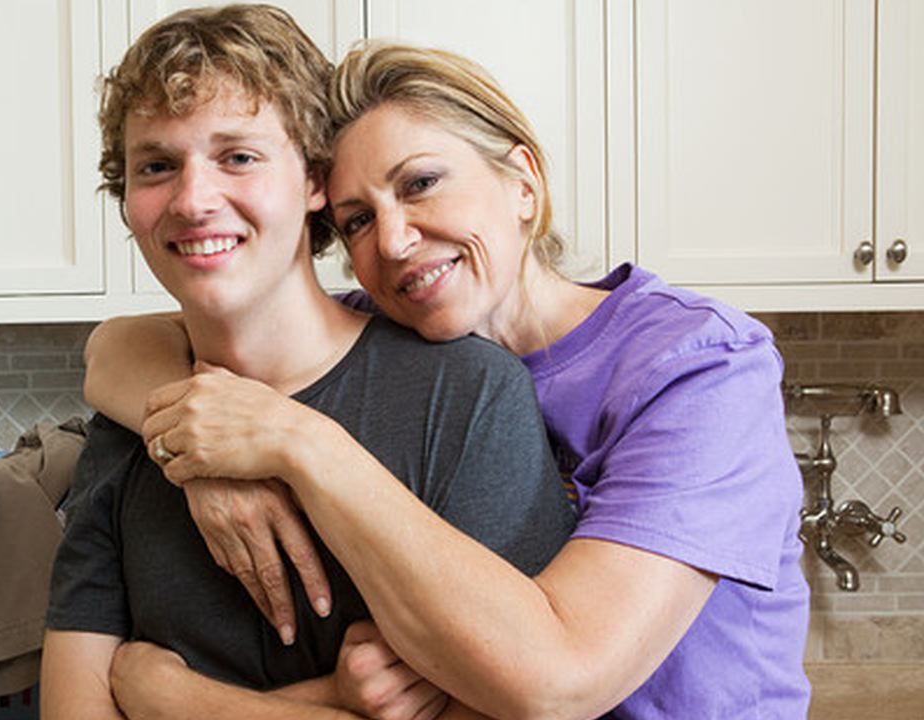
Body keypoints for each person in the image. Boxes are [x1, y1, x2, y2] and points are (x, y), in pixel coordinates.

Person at [85, 41, 811, 719]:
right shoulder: (390, 341)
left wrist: (297, 441)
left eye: (422, 183)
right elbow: (119, 346)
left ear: (522, 181)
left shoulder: (698, 367)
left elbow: (563, 680)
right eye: (359, 219)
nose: (395, 241)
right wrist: (195, 456)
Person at [40, 8, 576, 719]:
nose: (194, 200)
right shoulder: (129, 429)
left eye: (239, 156)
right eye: (157, 166)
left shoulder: (467, 396)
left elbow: (519, 699)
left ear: (314, 180)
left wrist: (169, 698)